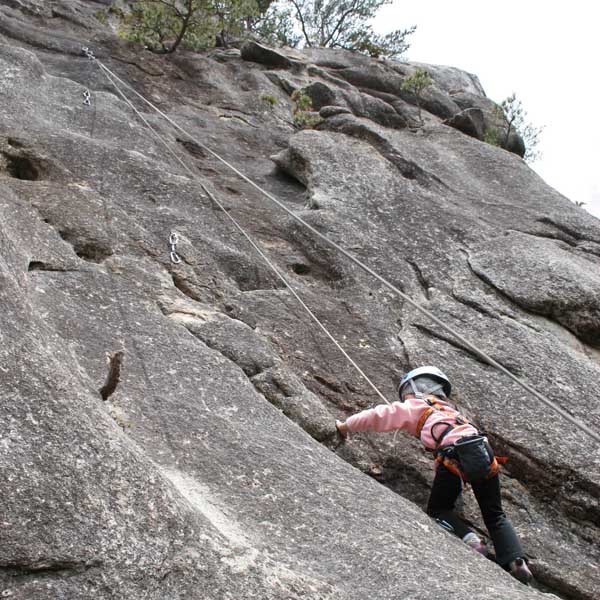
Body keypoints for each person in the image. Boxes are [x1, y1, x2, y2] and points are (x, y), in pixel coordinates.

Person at [335, 366, 533, 584]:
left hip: (453, 456)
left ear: (412, 389)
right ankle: (516, 561)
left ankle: (472, 541)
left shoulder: (415, 405)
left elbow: (377, 416)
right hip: (483, 453)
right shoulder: (453, 412)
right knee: (495, 515)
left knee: (439, 509)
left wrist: (346, 426)